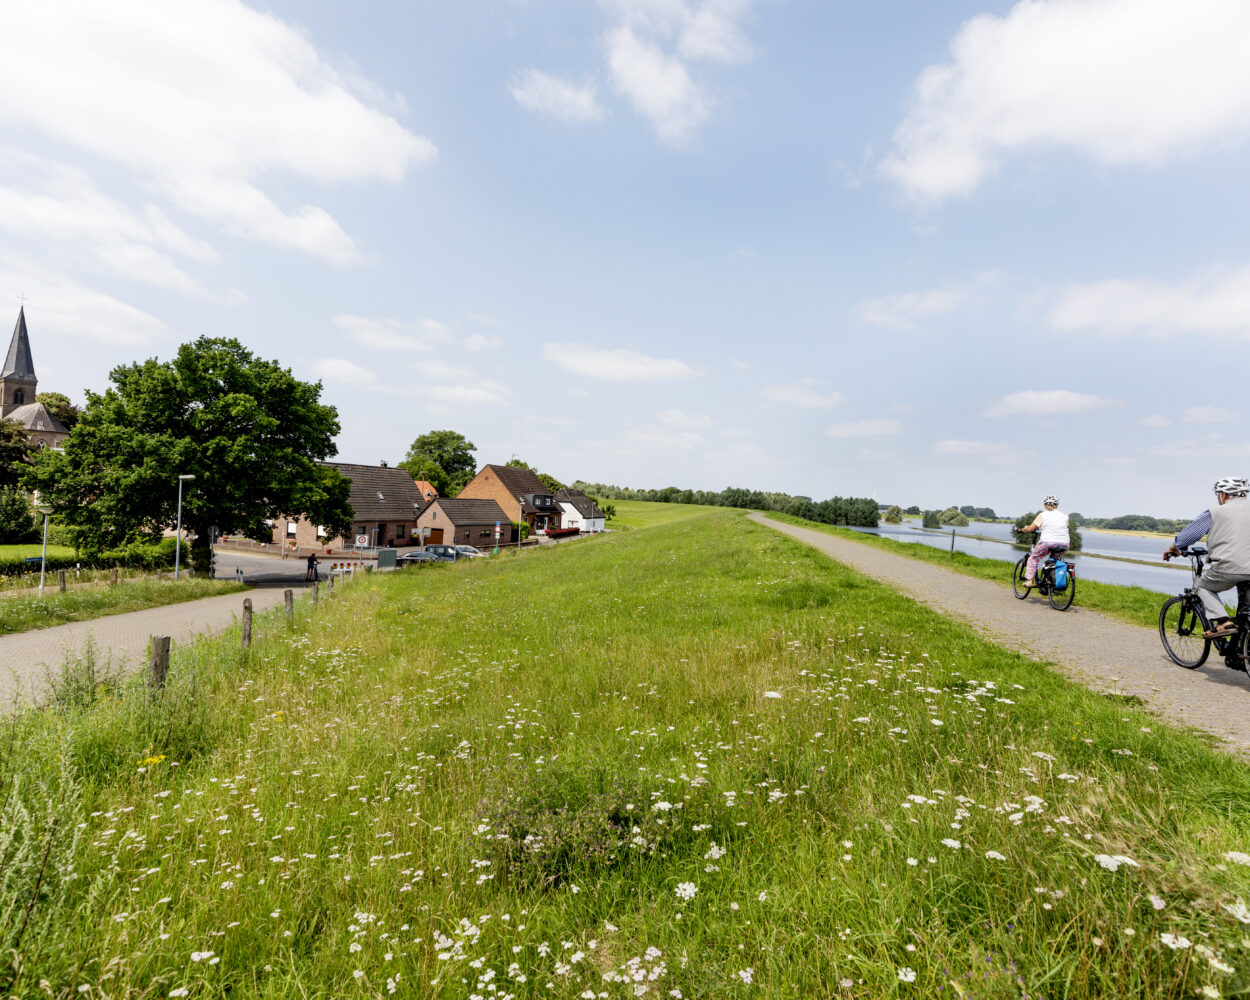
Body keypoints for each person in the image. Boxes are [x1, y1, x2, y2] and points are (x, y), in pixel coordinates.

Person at [1164, 476, 1250, 637]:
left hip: (1229, 568)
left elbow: (1187, 536)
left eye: (1218, 494)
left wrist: (1174, 548)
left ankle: (1223, 622)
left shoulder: (1215, 512)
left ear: (1224, 495)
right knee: (1245, 613)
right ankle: (1237, 649)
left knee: (1201, 587)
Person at [1018, 495, 1069, 588]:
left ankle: (1029, 581)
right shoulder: (1065, 516)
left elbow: (1030, 528)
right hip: (1064, 543)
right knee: (1054, 562)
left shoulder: (1042, 515)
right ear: (1057, 505)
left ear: (1045, 505)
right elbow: (1063, 526)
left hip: (1047, 542)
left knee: (1033, 558)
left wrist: (1021, 530)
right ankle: (1049, 582)